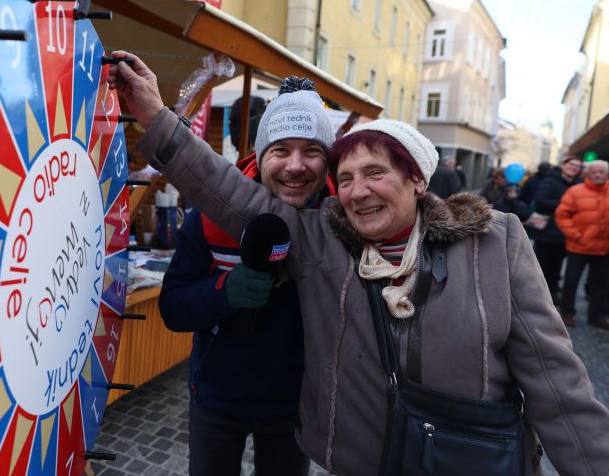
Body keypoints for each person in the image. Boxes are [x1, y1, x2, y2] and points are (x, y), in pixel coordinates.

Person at [108, 51, 609, 475]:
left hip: (463, 458)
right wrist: (155, 114)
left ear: (417, 180)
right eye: (345, 178)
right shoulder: (324, 236)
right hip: (355, 455)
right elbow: (222, 189)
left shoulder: (493, 244)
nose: (358, 190)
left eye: (376, 172)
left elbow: (558, 385)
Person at [159, 77, 334, 476]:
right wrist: (225, 291)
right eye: (281, 150)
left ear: (327, 160)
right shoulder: (210, 217)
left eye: (311, 151)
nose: (295, 165)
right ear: (260, 152)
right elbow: (172, 307)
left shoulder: (342, 223)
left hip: (294, 406)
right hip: (217, 400)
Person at [555, 160, 609, 329]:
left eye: (602, 171)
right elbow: (562, 215)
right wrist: (576, 236)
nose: (598, 174)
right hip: (578, 246)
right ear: (587, 174)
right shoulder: (575, 191)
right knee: (571, 281)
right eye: (595, 171)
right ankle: (567, 313)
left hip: (604, 248)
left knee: (601, 284)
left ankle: (597, 315)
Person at [531, 155, 582, 305]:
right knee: (542, 265)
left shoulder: (579, 183)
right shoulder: (550, 180)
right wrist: (566, 204)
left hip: (565, 232)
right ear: (564, 165)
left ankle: (552, 293)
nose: (574, 167)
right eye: (571, 164)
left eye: (577, 166)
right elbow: (541, 200)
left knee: (557, 266)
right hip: (546, 231)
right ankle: (536, 296)